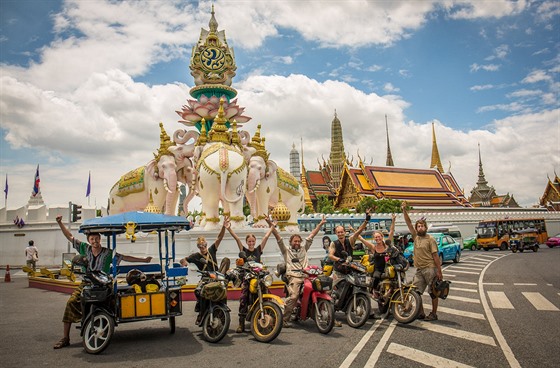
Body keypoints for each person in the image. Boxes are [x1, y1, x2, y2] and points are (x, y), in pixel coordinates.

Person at [53, 215, 152, 349]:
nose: (94, 241)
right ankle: (65, 337)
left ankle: (105, 322)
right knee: (71, 303)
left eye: (96, 238)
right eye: (92, 239)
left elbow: (125, 257)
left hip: (103, 284)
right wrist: (60, 223)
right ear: (89, 240)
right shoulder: (84, 248)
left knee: (111, 303)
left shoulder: (107, 253)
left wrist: (143, 260)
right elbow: (70, 237)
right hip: (87, 284)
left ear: (100, 239)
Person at [270, 215, 326, 328]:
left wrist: (320, 224)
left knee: (323, 289)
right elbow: (278, 237)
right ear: (291, 242)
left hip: (307, 276)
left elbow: (312, 235)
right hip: (294, 276)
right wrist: (270, 224)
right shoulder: (286, 251)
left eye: (298, 241)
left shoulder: (304, 249)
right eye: (295, 241)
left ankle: (328, 316)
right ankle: (284, 319)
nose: (297, 242)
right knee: (294, 296)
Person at [227, 216, 275, 333]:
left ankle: (273, 316)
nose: (251, 243)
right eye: (249, 241)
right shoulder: (244, 250)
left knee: (268, 293)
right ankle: (241, 323)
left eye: (253, 241)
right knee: (243, 297)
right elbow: (237, 239)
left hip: (259, 277)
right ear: (247, 242)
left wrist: (272, 227)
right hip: (248, 277)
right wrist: (229, 229)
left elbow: (266, 237)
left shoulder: (258, 250)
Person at [179, 218, 230, 324]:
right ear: (198, 247)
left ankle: (223, 310)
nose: (203, 248)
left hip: (216, 276)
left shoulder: (211, 250)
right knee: (198, 291)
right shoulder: (196, 256)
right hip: (206, 278)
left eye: (204, 245)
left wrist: (223, 227)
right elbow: (184, 260)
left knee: (223, 289)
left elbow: (219, 238)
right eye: (201, 246)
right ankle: (201, 312)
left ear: (207, 245)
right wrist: (183, 262)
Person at [401, 201, 442, 321]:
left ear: (426, 227)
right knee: (415, 291)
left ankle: (434, 313)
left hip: (430, 268)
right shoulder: (416, 237)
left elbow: (436, 256)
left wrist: (439, 271)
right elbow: (408, 223)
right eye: (418, 226)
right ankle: (421, 312)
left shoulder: (430, 240)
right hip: (419, 269)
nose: (420, 228)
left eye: (422, 226)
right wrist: (404, 210)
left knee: (433, 292)